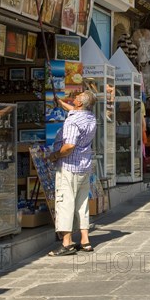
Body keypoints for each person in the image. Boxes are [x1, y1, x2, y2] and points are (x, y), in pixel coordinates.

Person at [48, 90, 97, 256]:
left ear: (80, 103)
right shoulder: (90, 117)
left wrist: (54, 155)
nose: (74, 98)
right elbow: (73, 111)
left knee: (65, 203)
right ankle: (85, 240)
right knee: (82, 204)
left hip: (69, 167)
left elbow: (69, 146)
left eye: (76, 98)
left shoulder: (72, 121)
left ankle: (67, 243)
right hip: (84, 167)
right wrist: (61, 103)